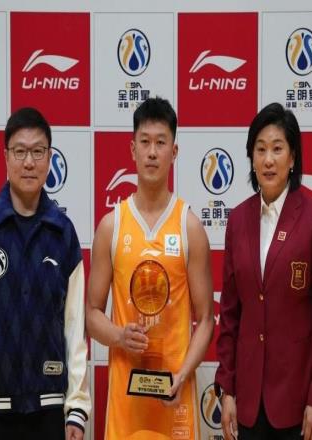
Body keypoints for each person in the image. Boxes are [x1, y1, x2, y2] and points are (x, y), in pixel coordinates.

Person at [0, 107, 91, 440]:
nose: (29, 162)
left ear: (50, 158)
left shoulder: (63, 234)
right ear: (6, 157)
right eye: (20, 151)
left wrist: (76, 408)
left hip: (50, 411)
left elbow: (75, 328)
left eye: (38, 152)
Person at [86, 97, 214, 439]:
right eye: (145, 142)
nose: (152, 152)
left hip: (175, 401)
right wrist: (119, 336)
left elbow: (206, 319)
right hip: (126, 404)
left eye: (161, 142)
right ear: (133, 149)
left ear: (174, 151)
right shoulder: (111, 226)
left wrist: (183, 374)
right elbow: (91, 313)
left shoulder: (189, 227)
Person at [215, 102, 312, 440]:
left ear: (293, 157)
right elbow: (230, 312)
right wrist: (227, 389)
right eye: (260, 149)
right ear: (251, 158)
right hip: (247, 400)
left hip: (297, 401)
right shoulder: (238, 220)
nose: (268, 159)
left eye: (277, 148)